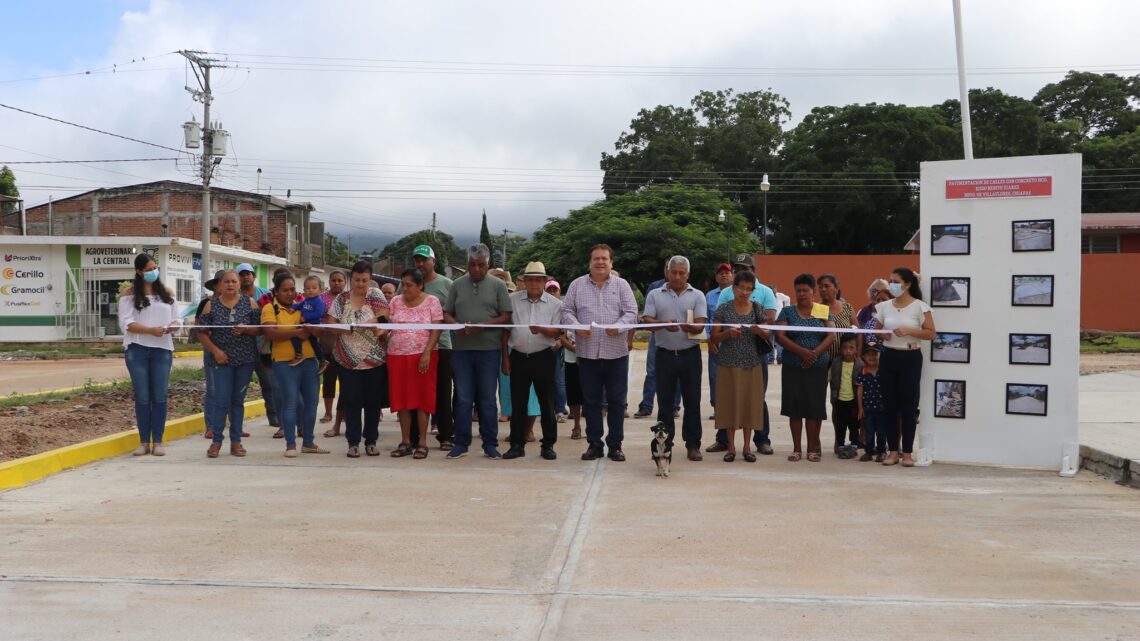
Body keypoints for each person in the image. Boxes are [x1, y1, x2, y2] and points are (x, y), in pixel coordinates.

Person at [561, 243, 638, 461]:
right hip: (587, 355)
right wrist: (577, 327)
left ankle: (615, 444)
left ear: (611, 262)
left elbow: (632, 313)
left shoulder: (622, 286)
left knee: (616, 401)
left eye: (605, 258)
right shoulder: (577, 286)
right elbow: (566, 311)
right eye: (596, 258)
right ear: (590, 262)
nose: (600, 262)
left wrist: (620, 326)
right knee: (591, 402)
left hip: (616, 354)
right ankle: (594, 444)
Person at [443, 244, 513, 459]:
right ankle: (461, 443)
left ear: (488, 264)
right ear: (467, 265)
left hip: (489, 351)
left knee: (487, 400)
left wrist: (485, 325)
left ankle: (490, 444)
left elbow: (506, 316)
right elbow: (446, 313)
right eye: (472, 265)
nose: (476, 270)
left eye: (481, 265)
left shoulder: (498, 285)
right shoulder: (456, 285)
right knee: (463, 398)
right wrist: (457, 325)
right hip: (462, 351)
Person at [709, 253, 778, 456]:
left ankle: (760, 441)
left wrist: (761, 330)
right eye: (738, 269)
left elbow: (769, 324)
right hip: (729, 359)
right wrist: (725, 335)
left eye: (745, 269)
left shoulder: (763, 295)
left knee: (755, 400)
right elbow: (715, 333)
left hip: (754, 357)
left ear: (753, 271)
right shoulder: (725, 300)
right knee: (728, 401)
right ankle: (725, 443)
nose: (745, 291)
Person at [641, 255, 707, 461]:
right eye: (674, 272)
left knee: (693, 401)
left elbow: (701, 324)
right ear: (666, 272)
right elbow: (647, 320)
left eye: (682, 273)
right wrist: (662, 323)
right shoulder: (654, 294)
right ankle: (664, 445)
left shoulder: (697, 295)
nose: (677, 277)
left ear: (688, 274)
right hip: (664, 356)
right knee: (665, 403)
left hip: (690, 355)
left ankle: (693, 444)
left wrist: (691, 327)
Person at [325, 261, 390, 458]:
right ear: (350, 279)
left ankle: (371, 441)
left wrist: (374, 321)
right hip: (347, 359)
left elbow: (385, 314)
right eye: (356, 280)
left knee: (373, 402)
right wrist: (347, 327)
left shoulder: (375, 295)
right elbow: (331, 321)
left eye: (364, 280)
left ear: (370, 280)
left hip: (374, 359)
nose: (360, 284)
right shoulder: (342, 299)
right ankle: (353, 442)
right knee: (351, 401)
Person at [118, 253, 181, 457]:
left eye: (155, 268)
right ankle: (144, 441)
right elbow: (126, 324)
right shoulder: (129, 295)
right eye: (148, 269)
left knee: (160, 395)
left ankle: (159, 442)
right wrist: (150, 330)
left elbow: (177, 320)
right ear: (138, 272)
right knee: (143, 397)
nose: (153, 272)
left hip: (162, 350)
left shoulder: (167, 293)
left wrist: (173, 327)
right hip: (137, 349)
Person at [872, 267, 936, 467]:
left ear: (907, 284)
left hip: (910, 357)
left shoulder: (920, 307)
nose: (892, 285)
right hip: (889, 356)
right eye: (890, 281)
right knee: (889, 406)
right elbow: (876, 331)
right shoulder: (884, 306)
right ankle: (893, 451)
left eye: (896, 281)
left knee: (908, 407)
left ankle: (907, 452)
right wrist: (883, 335)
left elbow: (931, 333)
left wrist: (910, 331)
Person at [261, 273, 330, 457]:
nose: (290, 293)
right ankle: (290, 445)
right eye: (285, 290)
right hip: (284, 363)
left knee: (312, 403)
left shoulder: (304, 306)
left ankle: (308, 442)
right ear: (276, 291)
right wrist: (296, 333)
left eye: (292, 289)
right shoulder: (270, 309)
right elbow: (270, 333)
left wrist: (313, 329)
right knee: (290, 403)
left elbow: (317, 331)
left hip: (309, 361)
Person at [196, 270, 262, 458]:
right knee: (221, 400)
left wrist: (247, 329)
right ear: (220, 285)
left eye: (234, 281)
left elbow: (260, 330)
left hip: (245, 360)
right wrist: (216, 352)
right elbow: (201, 333)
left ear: (239, 284)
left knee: (237, 402)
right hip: (220, 359)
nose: (230, 285)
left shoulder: (250, 303)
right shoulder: (211, 305)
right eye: (227, 282)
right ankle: (216, 441)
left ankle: (236, 442)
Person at [501, 262, 563, 460]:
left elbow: (558, 332)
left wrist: (542, 329)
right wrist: (505, 358)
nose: (534, 283)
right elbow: (505, 330)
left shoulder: (556, 304)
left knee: (547, 402)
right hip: (518, 356)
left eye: (538, 279)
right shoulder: (512, 300)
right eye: (530, 279)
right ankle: (517, 444)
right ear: (524, 281)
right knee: (518, 403)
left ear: (544, 282)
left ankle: (548, 445)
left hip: (543, 356)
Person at [774, 273, 836, 463]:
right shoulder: (787, 312)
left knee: (814, 408)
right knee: (795, 408)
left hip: (817, 366)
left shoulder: (822, 310)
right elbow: (780, 336)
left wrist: (814, 353)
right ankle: (796, 449)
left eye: (805, 290)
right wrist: (802, 352)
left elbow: (831, 335)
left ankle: (812, 449)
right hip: (793, 365)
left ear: (813, 292)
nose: (801, 294)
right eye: (798, 290)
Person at [387, 268, 443, 460]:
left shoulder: (432, 301)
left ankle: (422, 443)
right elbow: (389, 325)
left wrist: (427, 352)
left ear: (420, 285)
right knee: (401, 400)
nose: (405, 289)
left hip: (422, 357)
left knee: (422, 400)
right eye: (403, 284)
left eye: (409, 285)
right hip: (396, 356)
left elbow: (437, 329)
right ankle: (405, 441)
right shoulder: (395, 301)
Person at [412, 244, 455, 451]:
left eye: (424, 260)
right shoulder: (408, 284)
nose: (420, 264)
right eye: (417, 260)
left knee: (443, 392)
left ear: (433, 261)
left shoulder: (447, 284)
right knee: (416, 393)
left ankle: (446, 435)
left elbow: (454, 312)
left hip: (442, 345)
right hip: (413, 347)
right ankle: (414, 437)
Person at [634, 265, 681, 420]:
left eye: (679, 271)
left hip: (680, 337)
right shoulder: (654, 287)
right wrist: (663, 323)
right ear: (665, 270)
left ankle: (674, 406)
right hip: (658, 336)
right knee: (652, 371)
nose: (674, 274)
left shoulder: (687, 290)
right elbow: (648, 316)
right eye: (669, 269)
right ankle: (647, 405)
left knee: (677, 374)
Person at [237, 262, 279, 430]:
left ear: (254, 276)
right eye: (242, 274)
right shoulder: (235, 296)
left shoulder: (265, 295)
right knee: (240, 386)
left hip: (264, 347)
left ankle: (274, 416)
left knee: (269, 384)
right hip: (242, 348)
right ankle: (235, 421)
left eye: (249, 273)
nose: (246, 276)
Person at [320, 270, 347, 435]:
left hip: (346, 348)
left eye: (340, 280)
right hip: (327, 347)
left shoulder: (349, 298)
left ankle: (344, 413)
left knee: (346, 383)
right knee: (329, 381)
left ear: (344, 282)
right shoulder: (322, 298)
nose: (337, 283)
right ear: (329, 282)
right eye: (333, 280)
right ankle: (328, 412)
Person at [828, 334, 863, 458]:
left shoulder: (860, 365)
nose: (848, 351)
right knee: (840, 425)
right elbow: (828, 378)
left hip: (854, 401)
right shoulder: (836, 364)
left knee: (854, 426)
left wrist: (861, 405)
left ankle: (854, 446)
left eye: (851, 348)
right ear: (840, 349)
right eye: (845, 348)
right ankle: (841, 446)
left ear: (856, 349)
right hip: (839, 400)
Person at [705, 263, 733, 418]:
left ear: (732, 276)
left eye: (727, 273)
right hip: (715, 341)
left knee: (733, 374)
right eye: (720, 273)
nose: (724, 275)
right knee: (715, 375)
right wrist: (710, 339)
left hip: (733, 340)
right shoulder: (709, 296)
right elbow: (706, 319)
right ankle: (717, 407)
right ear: (716, 277)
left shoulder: (737, 293)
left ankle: (732, 406)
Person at [856, 343, 886, 462]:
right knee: (869, 431)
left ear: (880, 356)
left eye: (875, 354)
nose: (872, 357)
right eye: (869, 354)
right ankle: (868, 451)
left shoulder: (884, 371)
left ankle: (882, 451)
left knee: (881, 432)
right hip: (868, 408)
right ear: (863, 356)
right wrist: (860, 408)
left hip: (882, 408)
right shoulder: (863, 373)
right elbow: (859, 392)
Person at [289, 275, 327, 370]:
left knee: (295, 336)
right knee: (314, 343)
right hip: (306, 325)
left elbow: (319, 313)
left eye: (314, 288)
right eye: (308, 288)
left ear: (320, 290)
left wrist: (305, 317)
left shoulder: (318, 301)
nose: (311, 290)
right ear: (304, 290)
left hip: (313, 326)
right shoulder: (307, 300)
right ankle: (322, 360)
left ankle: (299, 355)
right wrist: (293, 307)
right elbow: (300, 304)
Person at [546, 279, 570, 421]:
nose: (552, 292)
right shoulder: (542, 306)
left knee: (559, 380)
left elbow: (567, 327)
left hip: (558, 348)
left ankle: (560, 410)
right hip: (542, 347)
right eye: (549, 290)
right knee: (544, 381)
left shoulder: (563, 307)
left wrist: (560, 341)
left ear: (559, 292)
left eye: (555, 290)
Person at [855, 278, 891, 353]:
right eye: (874, 291)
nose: (876, 294)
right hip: (866, 355)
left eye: (882, 291)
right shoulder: (862, 312)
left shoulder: (893, 313)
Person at [771, 283, 791, 364]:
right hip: (771, 321)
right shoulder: (768, 297)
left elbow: (788, 298)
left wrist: (786, 307)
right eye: (772, 291)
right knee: (770, 340)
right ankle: (771, 358)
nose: (774, 292)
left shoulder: (780, 295)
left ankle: (780, 357)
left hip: (780, 321)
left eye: (774, 289)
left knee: (780, 339)